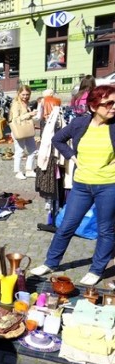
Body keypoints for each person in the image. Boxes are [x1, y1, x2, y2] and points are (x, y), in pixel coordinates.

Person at [30, 85, 115, 286]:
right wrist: (71, 156)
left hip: (109, 186)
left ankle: (96, 269)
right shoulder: (79, 124)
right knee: (66, 225)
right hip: (82, 186)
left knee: (106, 230)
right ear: (94, 107)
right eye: (108, 103)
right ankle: (51, 262)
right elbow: (57, 139)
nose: (113, 107)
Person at [9, 85, 39, 180]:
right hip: (19, 130)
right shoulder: (16, 104)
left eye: (27, 94)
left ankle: (29, 170)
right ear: (19, 93)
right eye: (23, 94)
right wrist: (29, 114)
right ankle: (17, 171)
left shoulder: (26, 103)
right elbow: (16, 119)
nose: (25, 96)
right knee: (19, 151)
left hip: (27, 130)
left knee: (33, 150)